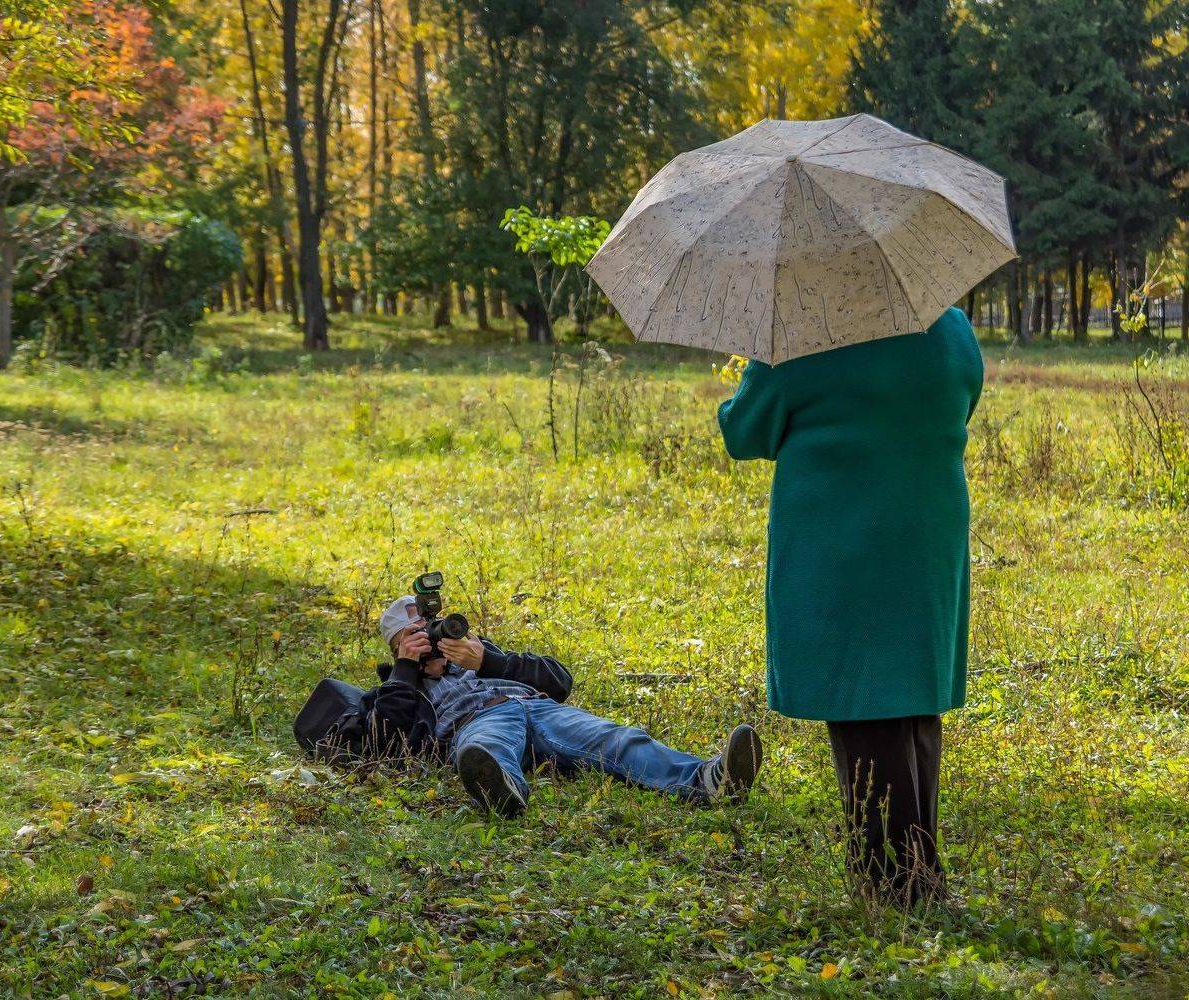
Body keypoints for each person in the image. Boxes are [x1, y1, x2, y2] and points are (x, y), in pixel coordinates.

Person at [716, 306, 983, 907]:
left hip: (844, 548)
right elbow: (962, 400)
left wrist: (755, 360)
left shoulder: (803, 332)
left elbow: (744, 432)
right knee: (912, 699)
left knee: (862, 698)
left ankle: (895, 886)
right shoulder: (949, 327)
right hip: (927, 534)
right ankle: (918, 871)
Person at [376, 595, 763, 816]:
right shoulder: (400, 684)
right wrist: (406, 668)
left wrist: (488, 660)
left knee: (616, 738)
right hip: (475, 720)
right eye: (414, 633)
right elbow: (385, 736)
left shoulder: (477, 653)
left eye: (431, 627)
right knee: (486, 748)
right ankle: (503, 791)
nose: (429, 637)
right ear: (396, 646)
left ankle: (710, 780)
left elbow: (560, 681)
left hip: (538, 707)